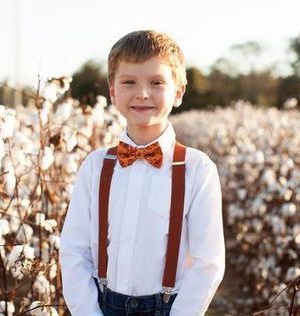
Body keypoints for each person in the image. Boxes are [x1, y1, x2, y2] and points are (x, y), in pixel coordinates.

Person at [59, 30, 225, 315]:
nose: (142, 93)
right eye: (129, 82)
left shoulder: (197, 170)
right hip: (101, 306)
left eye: (156, 82)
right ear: (113, 91)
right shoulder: (95, 166)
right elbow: (74, 250)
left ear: (178, 92)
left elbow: (207, 263)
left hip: (170, 308)